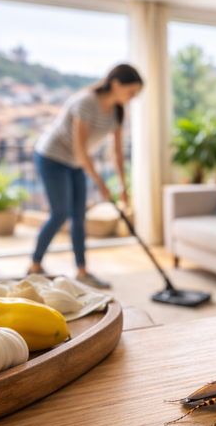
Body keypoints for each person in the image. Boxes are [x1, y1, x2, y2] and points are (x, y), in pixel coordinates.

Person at [29, 63, 143, 289]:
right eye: (131, 92)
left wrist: (123, 186)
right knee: (60, 213)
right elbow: (80, 148)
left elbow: (117, 151)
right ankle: (34, 266)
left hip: (74, 162)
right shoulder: (86, 103)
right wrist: (101, 184)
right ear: (116, 84)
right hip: (52, 157)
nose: (132, 98)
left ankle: (82, 272)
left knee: (79, 217)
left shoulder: (117, 111)